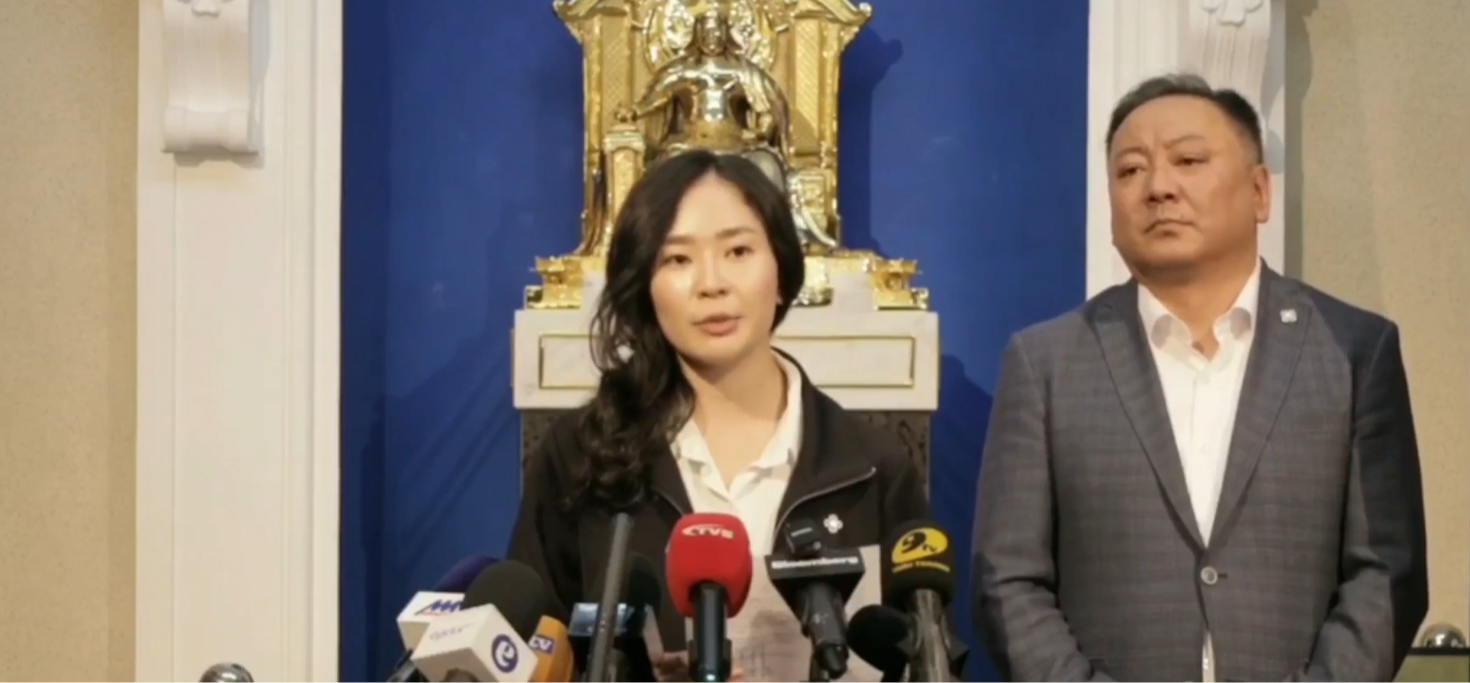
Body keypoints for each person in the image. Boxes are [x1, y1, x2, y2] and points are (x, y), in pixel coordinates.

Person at [971, 74, 1429, 683]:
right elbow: (1007, 580)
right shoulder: (1045, 362)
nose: (1159, 187)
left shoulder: (1353, 351)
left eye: (1188, 161)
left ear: (1259, 191)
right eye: (1131, 170)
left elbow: (1387, 571)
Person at [508, 150, 930, 683]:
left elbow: (927, 659)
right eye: (677, 259)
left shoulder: (871, 469)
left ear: (781, 272)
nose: (712, 283)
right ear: (645, 286)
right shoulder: (582, 458)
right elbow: (531, 656)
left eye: (738, 251)